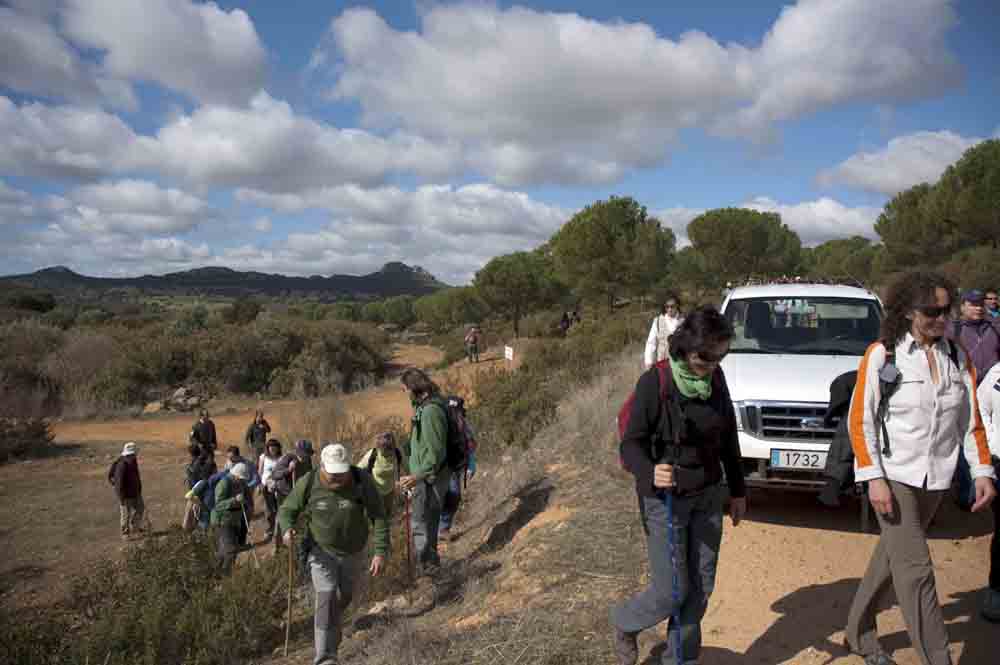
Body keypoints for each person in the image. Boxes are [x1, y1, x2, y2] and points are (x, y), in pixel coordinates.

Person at [845, 271, 997, 665]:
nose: (941, 318)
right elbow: (860, 420)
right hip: (894, 477)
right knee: (916, 571)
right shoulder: (883, 354)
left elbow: (970, 421)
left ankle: (858, 633)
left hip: (936, 479)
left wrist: (981, 470)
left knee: (890, 559)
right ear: (909, 311)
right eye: (932, 311)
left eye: (946, 310)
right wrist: (873, 478)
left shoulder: (957, 356)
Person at [612, 306, 748, 665]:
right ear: (686, 347)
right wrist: (649, 470)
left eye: (720, 356)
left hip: (708, 495)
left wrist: (737, 491)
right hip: (665, 500)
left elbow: (728, 438)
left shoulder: (716, 380)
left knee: (701, 586)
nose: (713, 364)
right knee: (672, 592)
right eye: (706, 356)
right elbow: (630, 443)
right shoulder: (655, 382)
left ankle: (679, 658)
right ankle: (624, 622)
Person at [278, 443, 389, 665]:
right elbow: (287, 510)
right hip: (321, 551)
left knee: (345, 596)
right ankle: (325, 657)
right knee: (326, 596)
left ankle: (331, 630)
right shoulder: (309, 482)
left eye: (341, 472)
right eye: (333, 473)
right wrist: (287, 529)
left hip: (353, 552)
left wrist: (380, 551)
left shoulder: (361, 480)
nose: (337, 478)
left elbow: (378, 515)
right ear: (322, 467)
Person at [946, 289, 1000, 510]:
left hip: (991, 392)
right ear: (963, 306)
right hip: (965, 391)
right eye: (972, 304)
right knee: (964, 440)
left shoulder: (994, 327)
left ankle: (988, 486)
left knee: (990, 440)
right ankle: (966, 492)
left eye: (980, 304)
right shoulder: (953, 329)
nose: (977, 308)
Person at [397, 368, 450, 577]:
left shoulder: (430, 412)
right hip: (425, 477)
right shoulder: (425, 406)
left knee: (422, 524)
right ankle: (430, 567)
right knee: (426, 523)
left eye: (405, 389)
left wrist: (416, 477)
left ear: (413, 387)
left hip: (429, 479)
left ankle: (429, 570)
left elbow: (436, 452)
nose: (404, 393)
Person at [975, 362, 1000, 622]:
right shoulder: (997, 372)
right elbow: (979, 408)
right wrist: (993, 443)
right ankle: (996, 590)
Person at [439, 397, 478, 542]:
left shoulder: (464, 426)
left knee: (454, 495)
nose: (453, 414)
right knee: (441, 497)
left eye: (456, 411)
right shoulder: (439, 424)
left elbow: (470, 445)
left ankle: (443, 529)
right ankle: (436, 530)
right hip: (438, 467)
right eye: (450, 411)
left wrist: (471, 465)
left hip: (454, 467)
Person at [211, 461, 251, 574]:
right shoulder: (224, 484)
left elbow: (244, 499)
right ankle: (225, 575)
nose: (242, 481)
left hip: (234, 521)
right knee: (230, 551)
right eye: (241, 478)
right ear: (235, 475)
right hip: (222, 521)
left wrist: (245, 503)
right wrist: (234, 500)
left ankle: (217, 574)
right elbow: (218, 505)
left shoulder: (241, 483)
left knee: (224, 552)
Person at [357, 432, 405, 519]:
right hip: (374, 491)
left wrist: (408, 482)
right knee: (376, 518)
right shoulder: (373, 454)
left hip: (389, 491)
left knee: (387, 516)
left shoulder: (397, 453)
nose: (386, 455)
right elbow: (358, 468)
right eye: (383, 452)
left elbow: (406, 467)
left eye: (389, 452)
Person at [224, 446, 260, 545]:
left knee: (245, 519)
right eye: (228, 457)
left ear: (237, 456)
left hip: (246, 496)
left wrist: (246, 486)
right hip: (232, 496)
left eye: (231, 457)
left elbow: (256, 479)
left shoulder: (248, 464)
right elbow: (225, 476)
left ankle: (241, 542)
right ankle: (232, 542)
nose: (230, 460)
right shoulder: (228, 464)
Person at [113, 442, 145, 540]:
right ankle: (125, 533)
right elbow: (119, 483)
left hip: (135, 492)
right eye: (134, 454)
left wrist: (139, 488)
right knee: (126, 514)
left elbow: (136, 476)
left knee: (140, 508)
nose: (135, 456)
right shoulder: (122, 465)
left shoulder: (133, 461)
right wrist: (121, 498)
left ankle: (134, 527)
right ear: (129, 454)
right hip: (125, 495)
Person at [183, 443, 216, 531]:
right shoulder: (205, 463)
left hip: (197, 494)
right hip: (199, 494)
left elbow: (195, 481)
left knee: (192, 521)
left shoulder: (198, 464)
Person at [643, 296, 683, 369]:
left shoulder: (684, 321)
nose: (669, 309)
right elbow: (651, 342)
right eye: (667, 307)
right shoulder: (658, 321)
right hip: (663, 364)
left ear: (677, 305)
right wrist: (648, 361)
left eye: (672, 306)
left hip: (680, 364)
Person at [258, 439, 283, 543]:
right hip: (265, 485)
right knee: (269, 508)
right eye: (270, 447)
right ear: (267, 448)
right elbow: (260, 471)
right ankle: (270, 528)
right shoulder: (263, 457)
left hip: (278, 486)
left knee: (277, 508)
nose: (272, 449)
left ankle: (278, 529)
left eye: (274, 447)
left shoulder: (281, 458)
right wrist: (259, 484)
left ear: (278, 448)